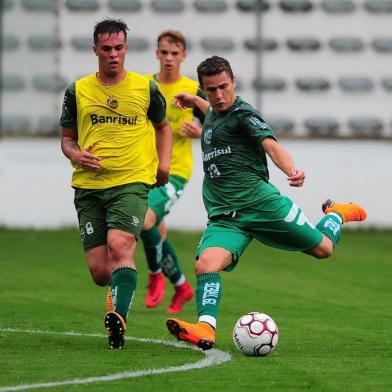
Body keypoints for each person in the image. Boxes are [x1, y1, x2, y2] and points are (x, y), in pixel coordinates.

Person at [166, 56, 367, 350]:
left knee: (323, 249)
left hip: (261, 206)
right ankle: (205, 329)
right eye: (211, 90)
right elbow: (209, 108)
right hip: (225, 217)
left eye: (224, 87)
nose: (219, 95)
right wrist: (194, 100)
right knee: (205, 265)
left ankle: (336, 214)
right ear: (204, 89)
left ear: (233, 81)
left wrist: (291, 170)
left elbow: (271, 146)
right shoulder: (212, 110)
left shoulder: (244, 114)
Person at [60, 18, 172, 349]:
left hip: (132, 181)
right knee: (100, 272)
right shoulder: (77, 91)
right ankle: (119, 293)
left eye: (119, 48)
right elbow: (67, 140)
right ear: (95, 49)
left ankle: (117, 323)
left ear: (127, 49)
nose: (113, 54)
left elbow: (163, 127)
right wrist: (75, 155)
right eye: (106, 48)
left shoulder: (145, 88)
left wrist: (163, 163)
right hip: (89, 186)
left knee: (120, 247)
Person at [141, 30, 206, 314]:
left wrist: (200, 131)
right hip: (143, 171)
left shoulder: (193, 89)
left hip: (175, 171)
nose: (169, 58)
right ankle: (181, 286)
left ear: (183, 56)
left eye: (174, 53)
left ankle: (155, 276)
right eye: (164, 52)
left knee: (143, 223)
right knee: (156, 233)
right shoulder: (143, 86)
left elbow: (219, 129)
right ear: (157, 54)